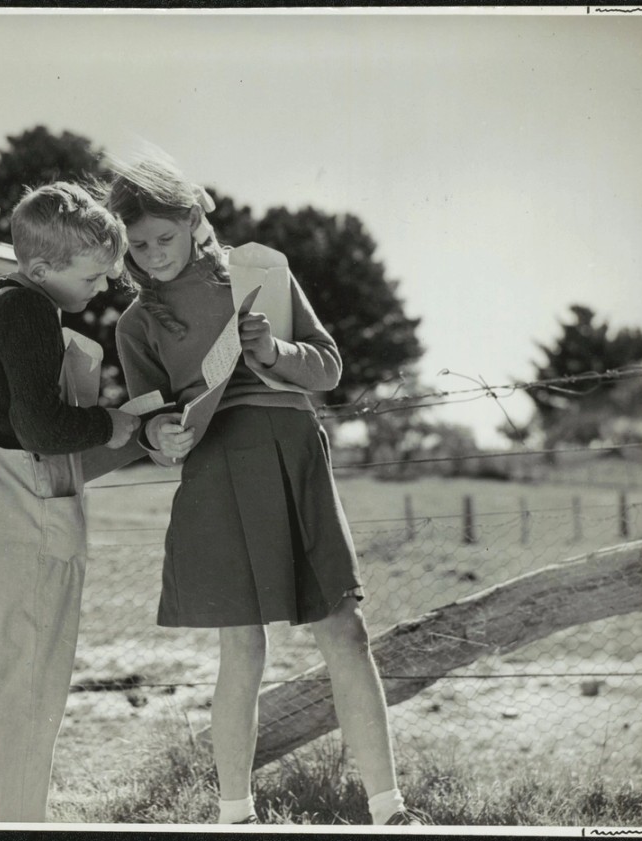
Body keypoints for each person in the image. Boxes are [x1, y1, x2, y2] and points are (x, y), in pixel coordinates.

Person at [106, 157, 428, 827]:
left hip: (294, 453)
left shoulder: (261, 274)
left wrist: (275, 351)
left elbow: (329, 366)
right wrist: (161, 431)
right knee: (242, 647)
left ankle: (390, 810)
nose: (153, 255)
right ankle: (236, 815)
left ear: (194, 220)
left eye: (164, 238)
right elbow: (148, 422)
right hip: (217, 468)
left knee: (345, 629)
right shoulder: (136, 323)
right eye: (138, 245)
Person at [0, 182, 139, 823]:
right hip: (24, 525)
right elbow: (42, 430)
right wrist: (113, 422)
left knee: (6, 692)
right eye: (91, 276)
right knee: (28, 697)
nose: (103, 288)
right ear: (39, 268)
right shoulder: (29, 311)